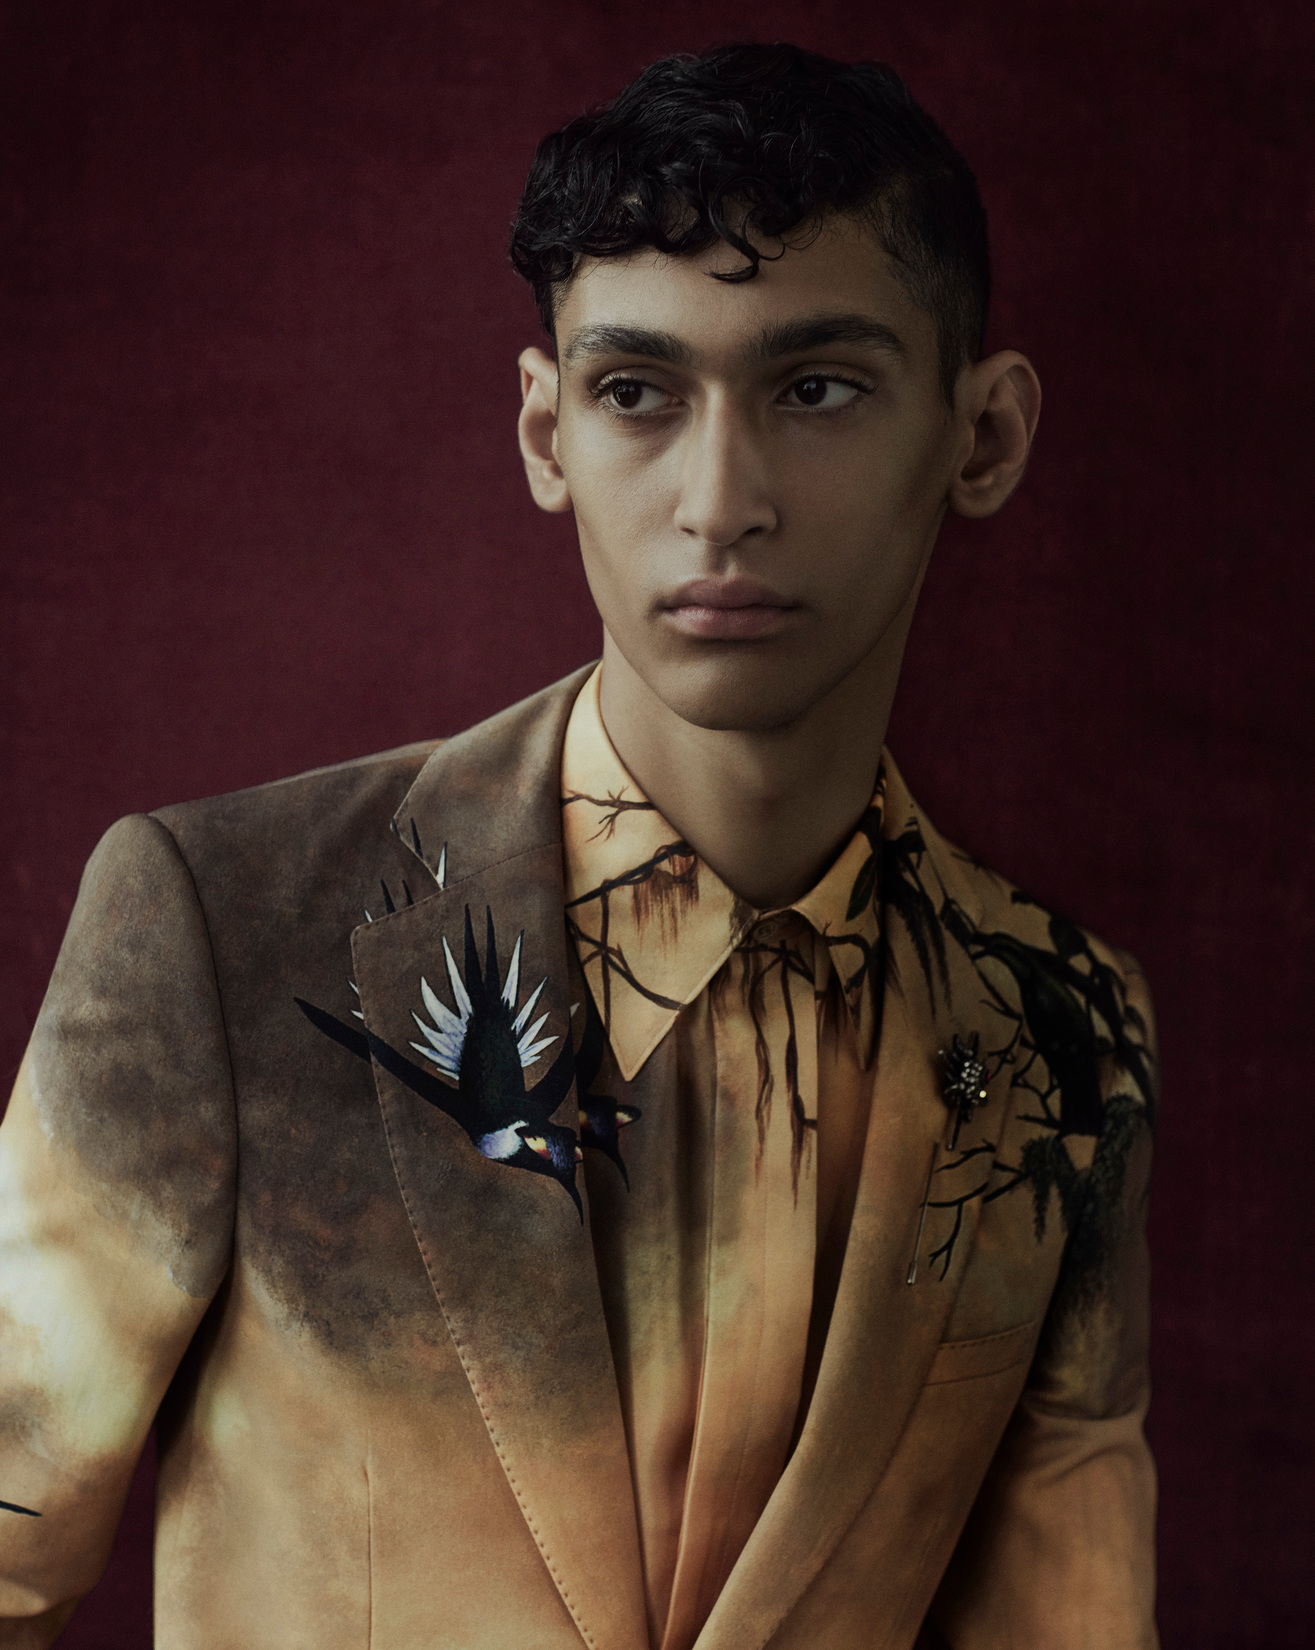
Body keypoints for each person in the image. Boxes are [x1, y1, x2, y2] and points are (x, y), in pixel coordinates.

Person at [0, 42, 1158, 1650]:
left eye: (817, 388)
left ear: (984, 437)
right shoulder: (225, 928)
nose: (719, 500)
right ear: (547, 433)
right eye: (638, 392)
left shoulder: (1070, 1029)